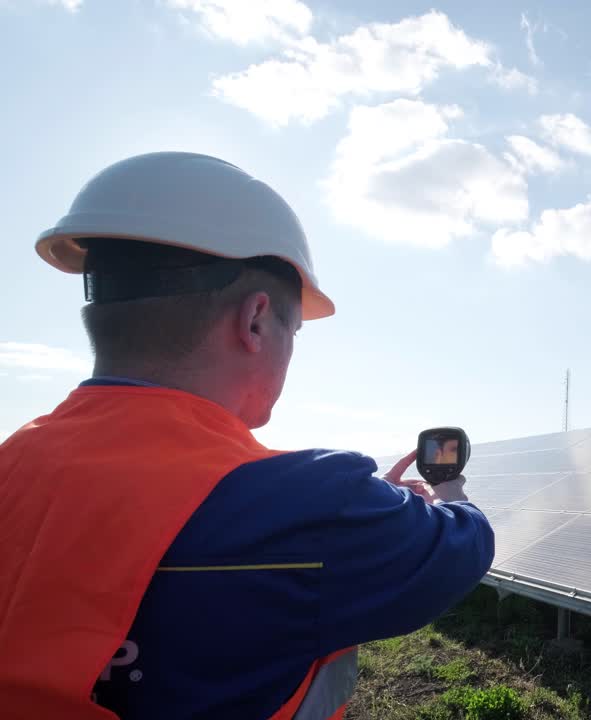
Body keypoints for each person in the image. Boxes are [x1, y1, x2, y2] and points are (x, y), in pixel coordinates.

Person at [0, 152, 495, 719]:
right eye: (296, 330)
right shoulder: (312, 503)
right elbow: (464, 546)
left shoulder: (12, 464)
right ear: (256, 320)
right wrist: (449, 493)